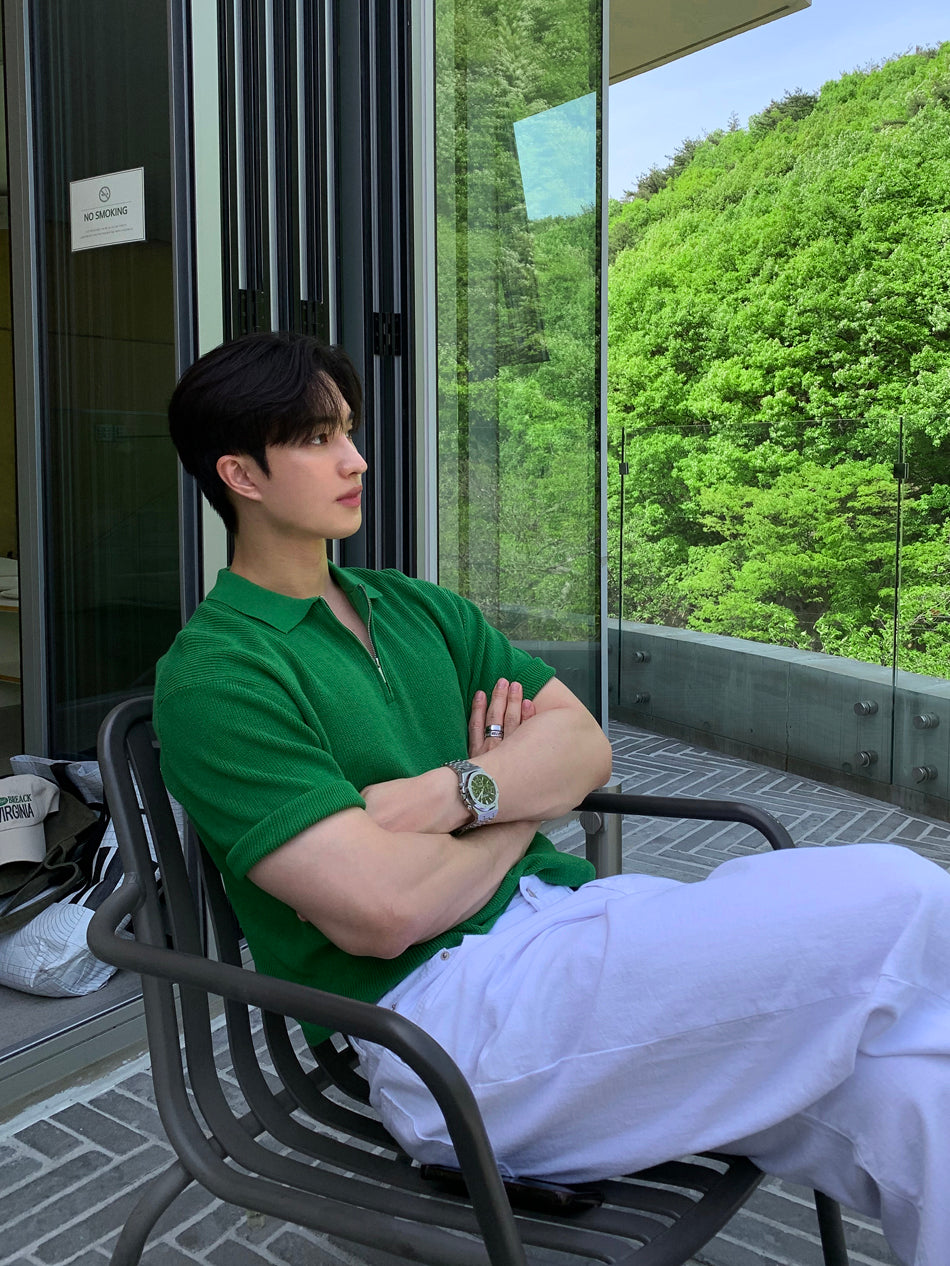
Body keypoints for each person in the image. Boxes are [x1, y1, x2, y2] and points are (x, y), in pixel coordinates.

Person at [155, 331, 950, 1266]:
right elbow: (385, 913)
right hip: (451, 1031)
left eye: (350, 431)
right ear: (240, 476)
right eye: (319, 439)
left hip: (576, 941)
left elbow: (583, 745)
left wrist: (455, 792)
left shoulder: (413, 608)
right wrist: (521, 803)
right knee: (899, 894)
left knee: (920, 1100)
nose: (357, 459)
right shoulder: (220, 673)